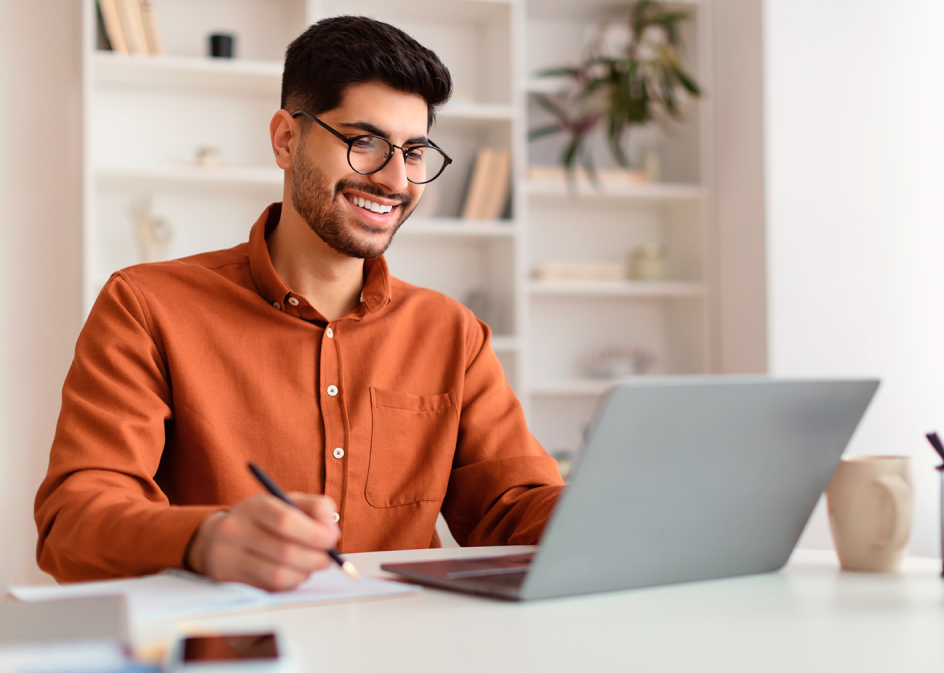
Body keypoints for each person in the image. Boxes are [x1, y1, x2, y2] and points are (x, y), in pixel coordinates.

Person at [35, 16, 563, 591]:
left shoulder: (452, 333)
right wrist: (205, 539)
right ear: (286, 140)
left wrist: (620, 515)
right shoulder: (146, 306)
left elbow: (512, 508)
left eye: (414, 152)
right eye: (364, 142)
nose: (394, 178)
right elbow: (73, 522)